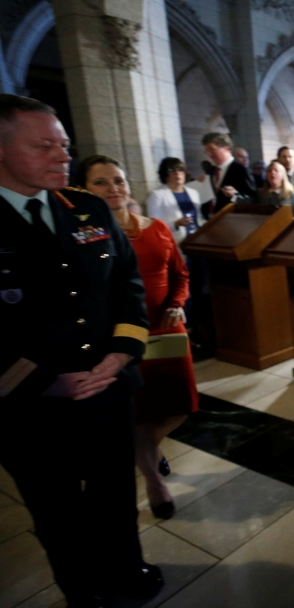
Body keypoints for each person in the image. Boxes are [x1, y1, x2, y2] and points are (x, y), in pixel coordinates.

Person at [0, 94, 162, 607]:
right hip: (30, 406)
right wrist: (43, 379)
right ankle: (84, 591)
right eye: (43, 145)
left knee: (115, 494)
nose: (61, 156)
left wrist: (119, 355)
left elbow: (127, 288)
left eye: (64, 145)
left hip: (108, 388)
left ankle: (127, 568)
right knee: (58, 510)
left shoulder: (86, 208)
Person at [78, 155, 199, 522]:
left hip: (166, 326)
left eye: (118, 180)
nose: (113, 188)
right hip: (122, 335)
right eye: (101, 182)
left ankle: (150, 452)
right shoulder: (84, 235)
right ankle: (153, 481)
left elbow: (180, 274)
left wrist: (178, 304)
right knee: (137, 413)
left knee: (179, 406)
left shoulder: (158, 228)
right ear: (84, 190)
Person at [145, 157, 202, 243]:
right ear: (165, 174)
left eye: (181, 170)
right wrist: (176, 224)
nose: (177, 173)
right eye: (172, 170)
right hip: (175, 242)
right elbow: (153, 225)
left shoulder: (193, 193)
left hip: (197, 240)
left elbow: (198, 218)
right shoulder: (157, 195)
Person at [201, 132, 255, 217]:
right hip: (211, 221)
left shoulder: (240, 170)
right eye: (207, 150)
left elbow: (252, 198)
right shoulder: (211, 171)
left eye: (212, 149)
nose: (209, 154)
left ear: (226, 148)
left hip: (232, 220)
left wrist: (235, 195)